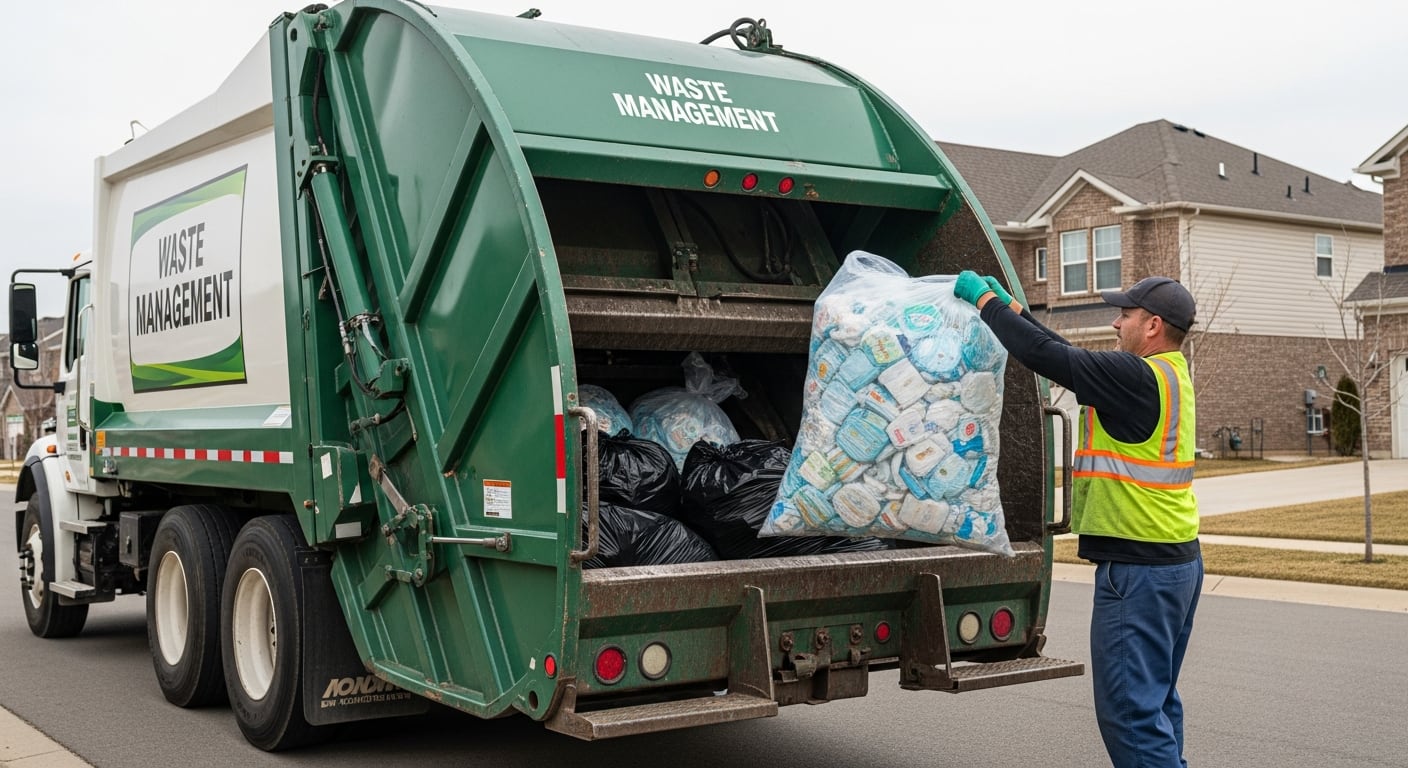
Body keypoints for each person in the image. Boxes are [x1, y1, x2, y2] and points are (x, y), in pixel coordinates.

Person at [953, 270, 1202, 768]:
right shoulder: (1167, 375)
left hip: (1139, 573)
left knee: (1130, 715)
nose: (1115, 323)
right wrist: (1018, 315)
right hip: (1174, 564)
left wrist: (985, 303)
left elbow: (1053, 360)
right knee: (1154, 703)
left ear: (1152, 325)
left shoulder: (1136, 377)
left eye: (1125, 315)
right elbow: (1070, 358)